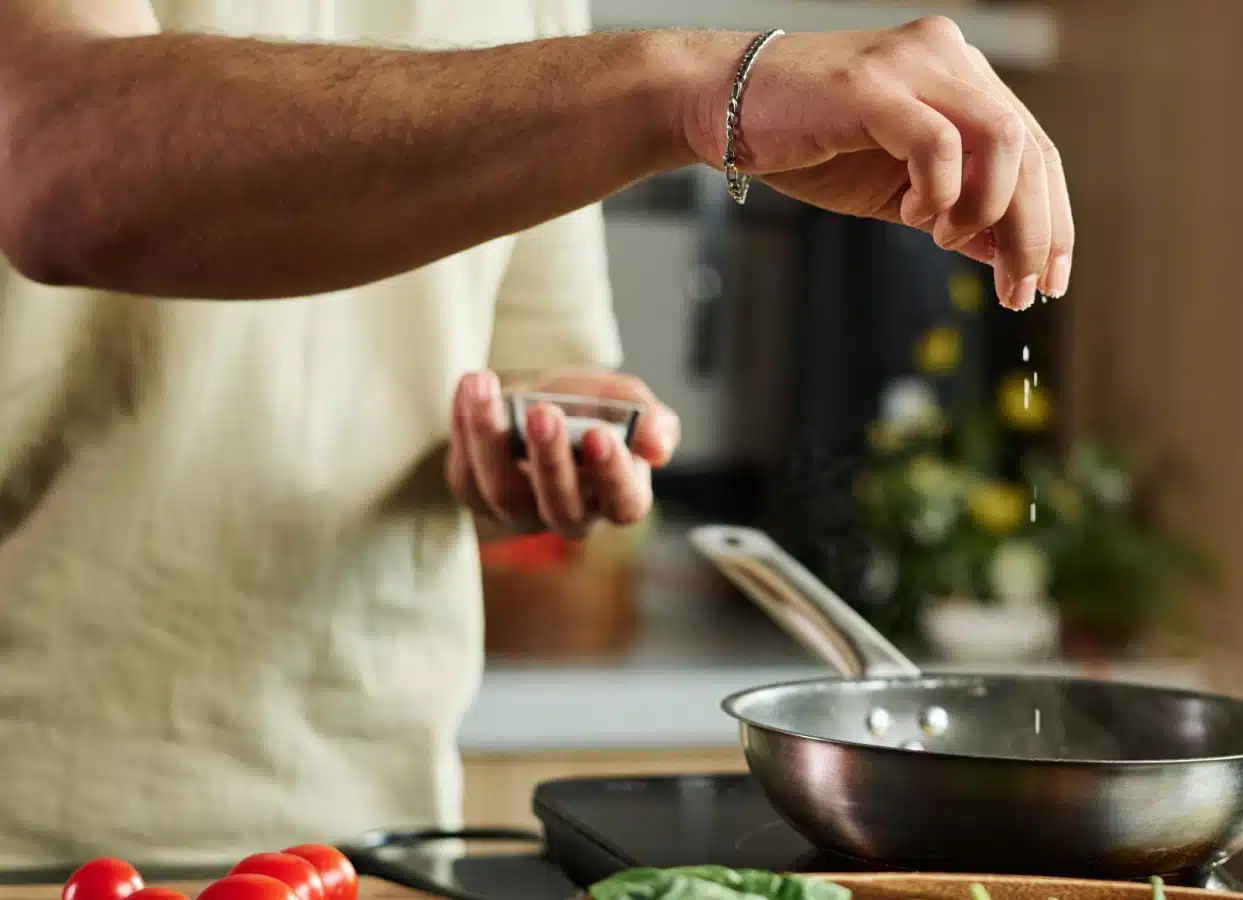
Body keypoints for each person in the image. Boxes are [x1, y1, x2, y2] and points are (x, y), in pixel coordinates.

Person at [0, 0, 1074, 866]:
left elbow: (527, 360)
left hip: (368, 812)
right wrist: (688, 84)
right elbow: (58, 158)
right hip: (39, 814)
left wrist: (539, 438)